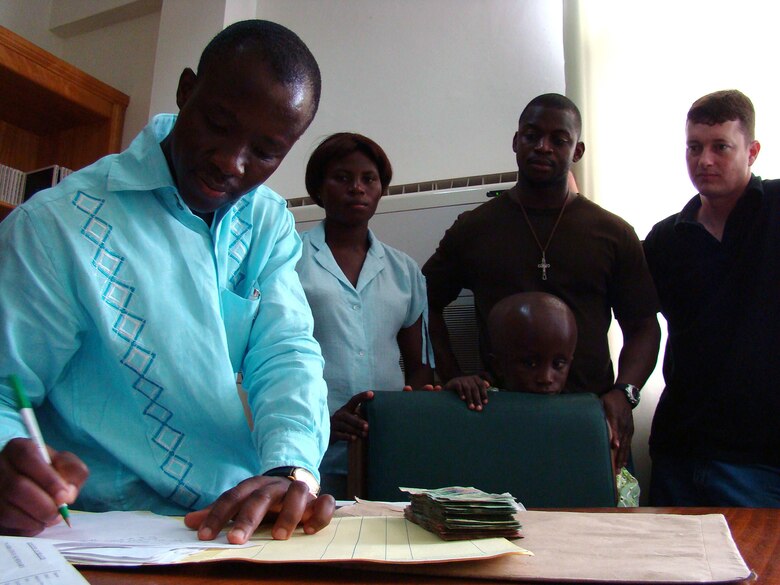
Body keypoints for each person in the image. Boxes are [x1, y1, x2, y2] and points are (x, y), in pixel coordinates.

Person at [0, 20, 335, 542]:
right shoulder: (54, 227)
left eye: (265, 152)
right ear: (185, 91)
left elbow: (286, 351)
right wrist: (8, 464)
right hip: (101, 528)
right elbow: (4, 391)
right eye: (218, 123)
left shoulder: (267, 221)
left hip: (234, 523)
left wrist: (290, 468)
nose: (231, 162)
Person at [422, 93, 661, 469]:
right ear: (516, 141)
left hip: (592, 414)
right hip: (500, 417)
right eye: (531, 135)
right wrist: (454, 375)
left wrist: (624, 394)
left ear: (577, 150)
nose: (542, 147)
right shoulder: (476, 228)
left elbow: (644, 326)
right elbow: (423, 304)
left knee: (602, 527)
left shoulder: (612, 233)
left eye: (558, 139)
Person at [643, 90, 780, 507]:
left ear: (752, 151)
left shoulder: (776, 208)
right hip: (679, 450)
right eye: (694, 147)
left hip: (762, 459)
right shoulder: (665, 238)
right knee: (670, 572)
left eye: (721, 147)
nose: (704, 160)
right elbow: (638, 323)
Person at [296, 133, 435, 498]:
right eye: (342, 178)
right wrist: (321, 418)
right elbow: (270, 355)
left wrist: (404, 417)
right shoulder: (290, 260)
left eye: (368, 179)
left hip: (385, 444)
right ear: (318, 189)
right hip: (310, 444)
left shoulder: (404, 270)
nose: (356, 188)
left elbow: (419, 366)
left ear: (380, 189)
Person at [487, 291, 640, 506]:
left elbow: (612, 502)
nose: (546, 378)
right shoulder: (484, 404)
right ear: (498, 365)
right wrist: (460, 388)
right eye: (530, 363)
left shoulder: (588, 419)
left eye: (559, 364)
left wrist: (609, 465)